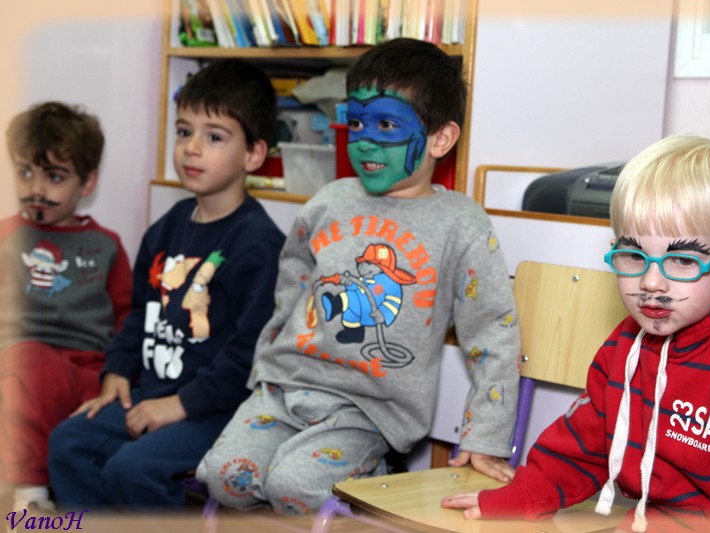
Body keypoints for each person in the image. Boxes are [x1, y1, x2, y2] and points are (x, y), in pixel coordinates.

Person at [195, 38, 521, 514]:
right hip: (285, 388)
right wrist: (268, 363)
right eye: (356, 122)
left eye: (386, 124)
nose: (364, 139)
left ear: (440, 139)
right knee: (226, 480)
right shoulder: (328, 201)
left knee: (292, 488)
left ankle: (380, 467)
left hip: (368, 409)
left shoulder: (461, 223)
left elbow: (494, 331)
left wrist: (485, 436)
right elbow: (290, 287)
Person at [441, 135, 710, 532]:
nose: (650, 282)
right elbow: (584, 443)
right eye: (633, 255)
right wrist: (522, 497)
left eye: (682, 260)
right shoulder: (627, 342)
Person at [47, 59, 286, 508]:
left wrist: (182, 405)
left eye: (214, 137)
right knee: (69, 442)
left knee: (132, 469)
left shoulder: (259, 245)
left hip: (217, 411)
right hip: (152, 393)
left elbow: (250, 355)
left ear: (254, 154)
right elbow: (141, 312)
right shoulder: (167, 226)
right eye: (183, 131)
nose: (191, 148)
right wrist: (117, 370)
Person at [0, 101, 132, 512]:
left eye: (54, 176)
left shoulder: (107, 245)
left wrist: (118, 372)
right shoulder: (6, 236)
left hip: (89, 371)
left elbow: (128, 318)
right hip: (24, 360)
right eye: (25, 173)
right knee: (30, 369)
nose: (36, 189)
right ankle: (31, 494)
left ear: (87, 182)